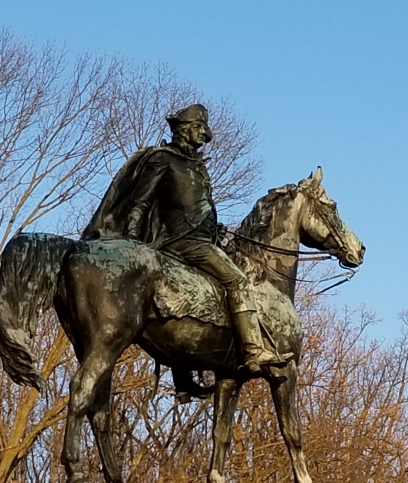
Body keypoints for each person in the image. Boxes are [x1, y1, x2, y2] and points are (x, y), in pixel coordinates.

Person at [83, 104, 288, 372]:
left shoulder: (195, 165)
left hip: (202, 241)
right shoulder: (163, 159)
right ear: (184, 129)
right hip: (182, 244)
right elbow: (141, 203)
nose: (204, 134)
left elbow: (190, 207)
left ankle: (185, 373)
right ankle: (253, 350)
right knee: (238, 281)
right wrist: (132, 241)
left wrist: (213, 229)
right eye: (199, 128)